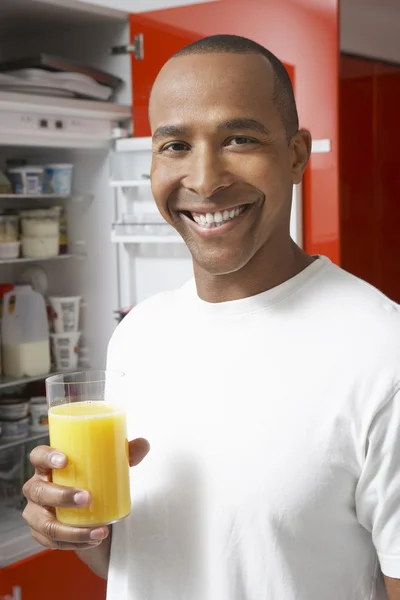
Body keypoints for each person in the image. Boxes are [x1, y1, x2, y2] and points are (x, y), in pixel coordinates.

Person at [22, 34, 400, 600]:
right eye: (174, 146)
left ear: (296, 154)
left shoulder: (380, 348)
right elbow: (137, 560)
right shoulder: (137, 336)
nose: (203, 179)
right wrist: (72, 521)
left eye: (240, 138)